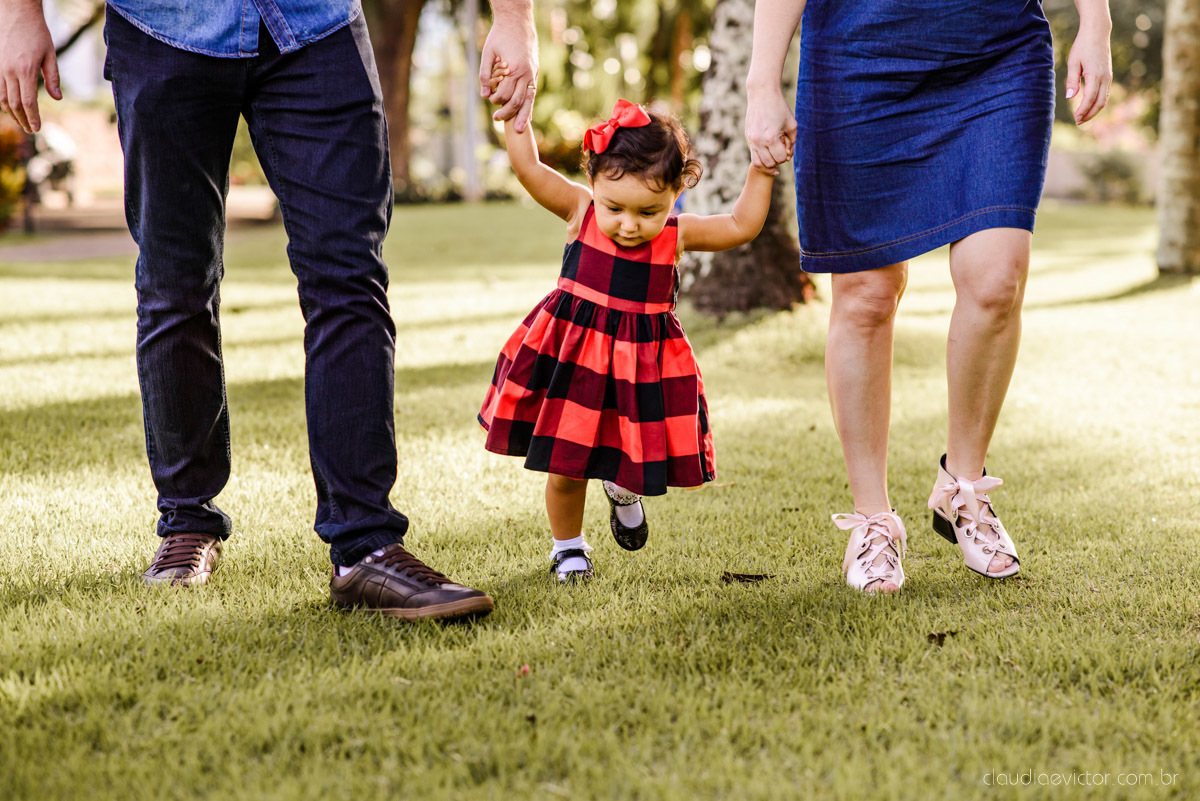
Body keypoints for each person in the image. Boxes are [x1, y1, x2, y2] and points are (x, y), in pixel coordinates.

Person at [0, 0, 536, 621]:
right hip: (162, 23)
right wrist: (19, 13)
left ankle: (365, 546)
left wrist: (514, 17)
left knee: (349, 277)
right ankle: (186, 522)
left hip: (316, 23)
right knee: (176, 284)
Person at [744, 0, 1112, 592]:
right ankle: (873, 521)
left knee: (996, 280)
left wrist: (1096, 23)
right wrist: (762, 80)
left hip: (996, 52)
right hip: (857, 56)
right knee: (866, 292)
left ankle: (962, 488)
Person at [478, 86, 786, 582]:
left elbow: (740, 225)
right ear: (593, 181)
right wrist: (518, 114)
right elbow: (530, 169)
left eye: (649, 211)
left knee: (628, 455)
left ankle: (623, 489)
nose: (627, 225)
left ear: (674, 195)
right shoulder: (580, 211)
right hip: (574, 364)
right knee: (566, 466)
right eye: (615, 207)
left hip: (638, 372)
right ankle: (569, 549)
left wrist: (762, 168)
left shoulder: (676, 235)